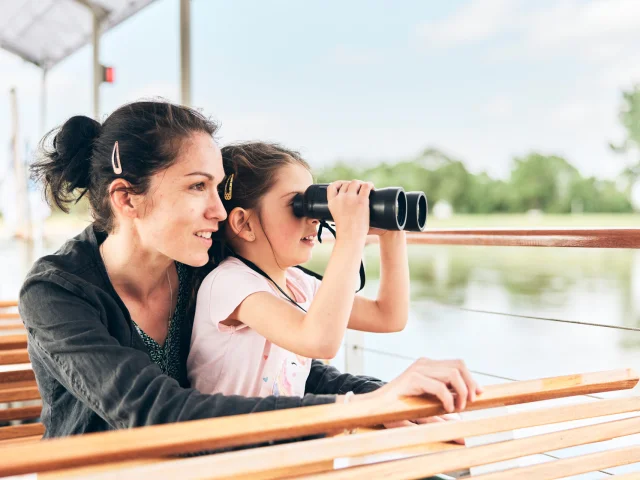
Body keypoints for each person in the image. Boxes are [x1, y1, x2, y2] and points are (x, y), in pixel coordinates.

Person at [20, 100, 481, 439]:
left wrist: (384, 396)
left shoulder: (200, 265)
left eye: (219, 189)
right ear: (126, 198)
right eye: (198, 187)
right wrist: (347, 410)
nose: (219, 212)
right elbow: (154, 412)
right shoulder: (56, 293)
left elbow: (294, 372)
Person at [188, 142, 410, 400]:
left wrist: (392, 233)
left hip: (279, 434)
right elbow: (318, 341)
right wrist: (350, 236)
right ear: (244, 223)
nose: (315, 218)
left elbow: (389, 316)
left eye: (313, 204)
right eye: (297, 205)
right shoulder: (228, 283)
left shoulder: (297, 284)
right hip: (230, 436)